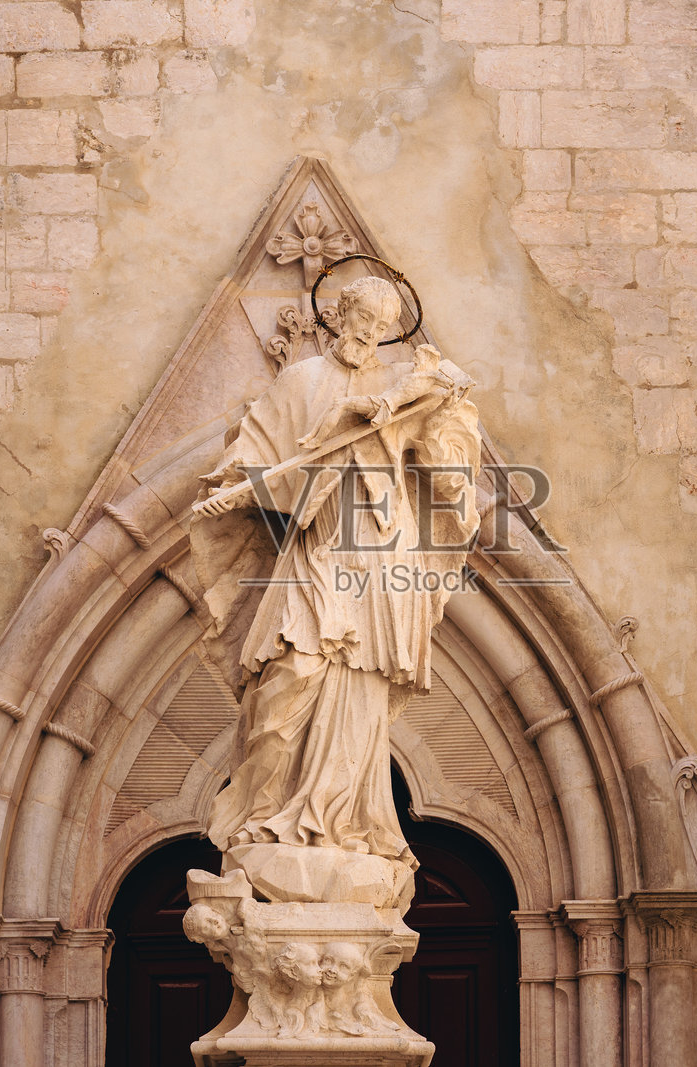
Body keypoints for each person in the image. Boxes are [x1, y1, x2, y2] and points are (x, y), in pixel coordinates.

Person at [190, 275, 481, 865]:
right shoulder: (303, 381)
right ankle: (267, 814)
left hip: (380, 547)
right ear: (338, 315)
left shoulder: (404, 386)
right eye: (359, 320)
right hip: (319, 543)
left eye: (380, 327)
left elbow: (450, 460)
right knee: (293, 669)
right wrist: (238, 488)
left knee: (361, 684)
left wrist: (439, 428)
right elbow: (258, 452)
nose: (367, 335)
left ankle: (343, 822)